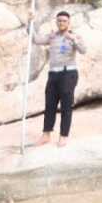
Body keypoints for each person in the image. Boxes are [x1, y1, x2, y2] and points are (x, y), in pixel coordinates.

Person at [33, 11, 86, 147]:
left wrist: (73, 39)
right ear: (56, 22)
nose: (61, 23)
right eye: (59, 21)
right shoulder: (52, 36)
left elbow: (83, 50)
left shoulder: (74, 36)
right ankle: (46, 134)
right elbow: (36, 39)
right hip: (53, 74)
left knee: (66, 106)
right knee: (50, 104)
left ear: (68, 23)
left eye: (64, 21)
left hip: (68, 73)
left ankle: (63, 135)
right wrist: (30, 23)